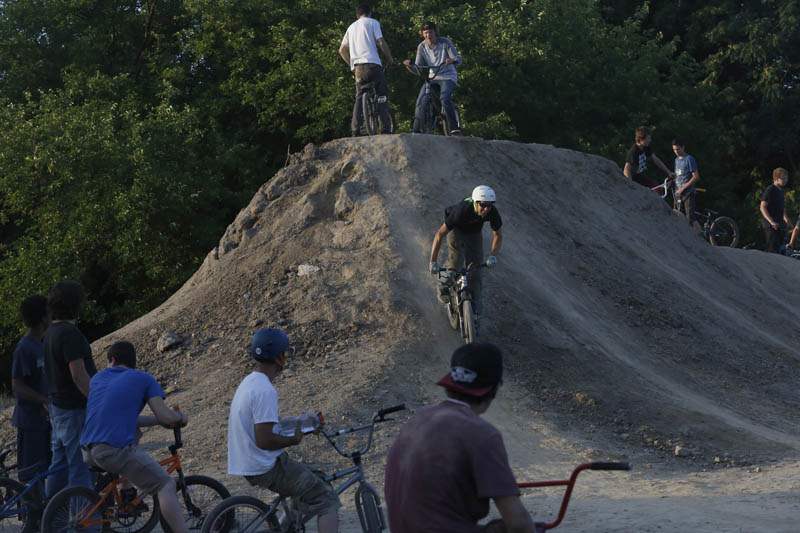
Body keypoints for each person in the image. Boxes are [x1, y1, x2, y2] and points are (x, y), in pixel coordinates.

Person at [384, 343, 535, 533]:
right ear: (494, 389)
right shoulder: (482, 434)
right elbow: (519, 524)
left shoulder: (416, 421)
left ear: (451, 383)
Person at [227, 328, 340, 533]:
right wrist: (293, 440)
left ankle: (287, 528)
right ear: (279, 358)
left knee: (315, 477)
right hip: (264, 466)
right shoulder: (265, 391)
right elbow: (264, 439)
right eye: (285, 353)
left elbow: (266, 426)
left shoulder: (250, 382)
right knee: (326, 499)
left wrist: (301, 423)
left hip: (248, 461)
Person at [80, 341, 189, 533]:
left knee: (134, 434)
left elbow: (130, 419)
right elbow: (166, 416)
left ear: (112, 360)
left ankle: (126, 490)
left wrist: (156, 421)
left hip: (88, 450)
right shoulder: (143, 378)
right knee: (165, 484)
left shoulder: (98, 378)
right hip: (113, 450)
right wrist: (180, 417)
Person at [43, 280, 97, 497]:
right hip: (75, 409)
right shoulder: (70, 334)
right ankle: (85, 526)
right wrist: (98, 400)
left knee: (59, 465)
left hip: (58, 408)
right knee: (80, 469)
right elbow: (78, 374)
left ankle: (50, 514)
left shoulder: (50, 333)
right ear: (75, 304)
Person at [429, 185, 502, 321]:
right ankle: (443, 286)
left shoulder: (492, 212)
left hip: (474, 233)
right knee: (455, 263)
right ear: (475, 202)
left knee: (476, 271)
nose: (486, 209)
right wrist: (433, 261)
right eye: (483, 205)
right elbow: (439, 234)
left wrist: (493, 255)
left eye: (489, 205)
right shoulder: (461, 211)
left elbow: (498, 234)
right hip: (456, 230)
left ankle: (475, 314)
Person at [11, 295, 51, 532]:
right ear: (42, 317)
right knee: (30, 473)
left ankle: (44, 515)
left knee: (46, 469)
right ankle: (31, 519)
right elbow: (17, 385)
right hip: (30, 420)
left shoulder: (43, 343)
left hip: (46, 420)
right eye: (48, 311)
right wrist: (43, 400)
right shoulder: (24, 348)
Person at [339, 3, 394, 136]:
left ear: (357, 15)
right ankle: (386, 128)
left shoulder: (351, 27)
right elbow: (380, 42)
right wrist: (390, 58)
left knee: (359, 97)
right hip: (373, 64)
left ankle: (355, 129)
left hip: (358, 68)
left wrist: (351, 64)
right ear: (370, 13)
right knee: (382, 95)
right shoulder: (372, 22)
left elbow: (341, 50)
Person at [402, 21, 462, 135]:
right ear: (422, 34)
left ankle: (454, 127)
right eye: (425, 33)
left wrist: (452, 60)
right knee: (421, 100)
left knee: (444, 98)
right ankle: (417, 129)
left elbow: (458, 58)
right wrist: (409, 66)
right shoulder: (421, 46)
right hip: (433, 77)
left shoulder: (445, 42)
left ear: (435, 33)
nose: (428, 36)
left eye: (430, 33)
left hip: (448, 76)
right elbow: (418, 69)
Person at [759, 167, 792, 253]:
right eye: (783, 178)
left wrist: (786, 219)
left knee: (781, 250)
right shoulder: (771, 189)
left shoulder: (781, 191)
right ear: (776, 179)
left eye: (786, 178)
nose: (786, 180)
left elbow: (782, 208)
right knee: (772, 250)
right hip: (770, 225)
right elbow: (762, 206)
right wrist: (771, 221)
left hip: (779, 224)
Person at [671, 139, 700, 224]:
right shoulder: (676, 160)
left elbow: (696, 177)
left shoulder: (689, 159)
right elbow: (679, 175)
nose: (676, 152)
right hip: (678, 193)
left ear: (683, 148)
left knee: (689, 220)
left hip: (688, 193)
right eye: (674, 150)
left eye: (678, 149)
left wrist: (683, 188)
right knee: (676, 217)